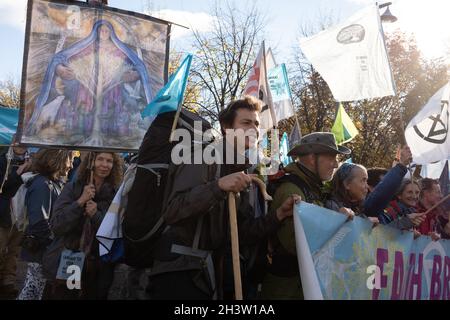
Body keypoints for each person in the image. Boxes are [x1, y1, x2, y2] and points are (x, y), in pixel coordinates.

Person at [146, 96, 299, 300]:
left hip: (207, 274)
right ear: (227, 127)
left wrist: (278, 215)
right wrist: (217, 187)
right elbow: (174, 211)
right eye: (245, 123)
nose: (253, 129)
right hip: (178, 272)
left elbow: (241, 233)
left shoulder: (241, 169)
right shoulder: (203, 156)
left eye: (256, 124)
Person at [25, 20, 152, 145]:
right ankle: (79, 133)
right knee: (84, 107)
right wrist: (59, 67)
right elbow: (62, 58)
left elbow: (137, 65)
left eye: (106, 30)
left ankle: (111, 134)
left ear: (111, 33)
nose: (103, 33)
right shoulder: (88, 47)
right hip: (87, 86)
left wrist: (134, 73)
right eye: (101, 30)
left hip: (112, 88)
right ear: (96, 31)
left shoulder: (118, 50)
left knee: (111, 109)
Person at [261, 132, 350, 300]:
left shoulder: (312, 187)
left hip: (301, 286)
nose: (335, 164)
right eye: (331, 158)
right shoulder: (291, 190)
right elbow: (298, 245)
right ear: (311, 158)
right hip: (287, 289)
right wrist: (337, 224)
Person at [44, 152, 123, 299]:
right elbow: (56, 225)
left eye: (109, 161)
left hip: (99, 268)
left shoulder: (116, 196)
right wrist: (80, 202)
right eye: (100, 159)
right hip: (68, 260)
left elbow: (114, 233)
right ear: (91, 162)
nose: (104, 165)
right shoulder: (71, 188)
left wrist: (96, 215)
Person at [17, 149, 73, 300]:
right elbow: (39, 221)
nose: (71, 165)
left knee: (36, 290)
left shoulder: (51, 183)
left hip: (44, 249)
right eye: (69, 160)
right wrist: (52, 242)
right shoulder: (42, 184)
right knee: (33, 291)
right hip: (41, 250)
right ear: (58, 159)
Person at [0, 145, 32, 298]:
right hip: (4, 212)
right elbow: (3, 187)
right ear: (13, 141)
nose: (21, 145)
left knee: (14, 250)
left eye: (24, 142)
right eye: (18, 141)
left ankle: (8, 281)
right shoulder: (2, 159)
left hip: (22, 213)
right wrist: (19, 172)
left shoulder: (32, 161)